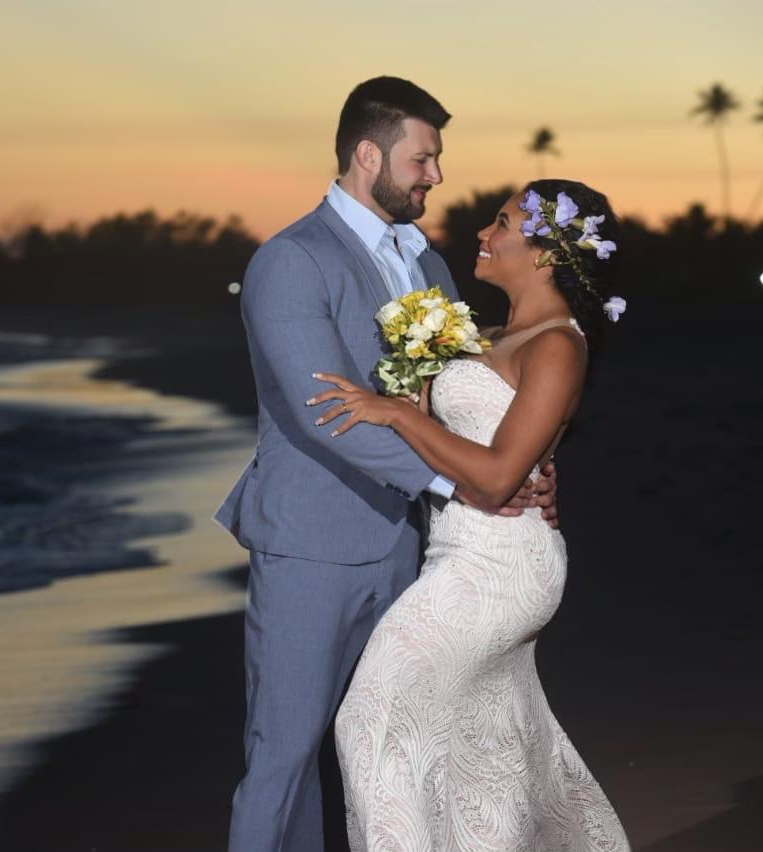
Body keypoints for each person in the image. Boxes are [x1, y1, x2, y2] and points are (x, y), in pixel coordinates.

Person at [214, 77, 559, 851]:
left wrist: (522, 465)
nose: (435, 176)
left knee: (391, 747)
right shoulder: (292, 260)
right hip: (314, 540)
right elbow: (326, 414)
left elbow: (463, 398)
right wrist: (464, 485)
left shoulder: (428, 266)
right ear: (368, 154)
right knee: (285, 754)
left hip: (422, 548)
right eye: (423, 158)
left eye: (436, 160)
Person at [312, 181, 630, 849]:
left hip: (501, 568)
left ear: (546, 254)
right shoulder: (488, 336)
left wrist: (398, 411)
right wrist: (415, 397)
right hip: (456, 552)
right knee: (481, 755)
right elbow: (489, 446)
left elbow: (493, 475)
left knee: (368, 722)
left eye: (503, 222)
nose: (483, 233)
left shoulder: (556, 348)